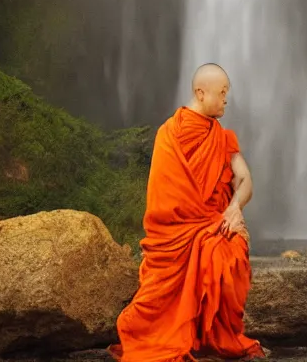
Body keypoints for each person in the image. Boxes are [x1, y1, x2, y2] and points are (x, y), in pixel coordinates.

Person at [110, 63, 265, 362]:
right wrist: (193, 226)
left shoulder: (222, 137)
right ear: (200, 93)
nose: (226, 100)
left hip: (211, 225)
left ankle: (211, 334)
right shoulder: (169, 134)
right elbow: (162, 199)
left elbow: (245, 180)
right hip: (174, 233)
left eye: (226, 94)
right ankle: (168, 333)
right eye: (221, 94)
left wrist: (234, 208)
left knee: (232, 248)